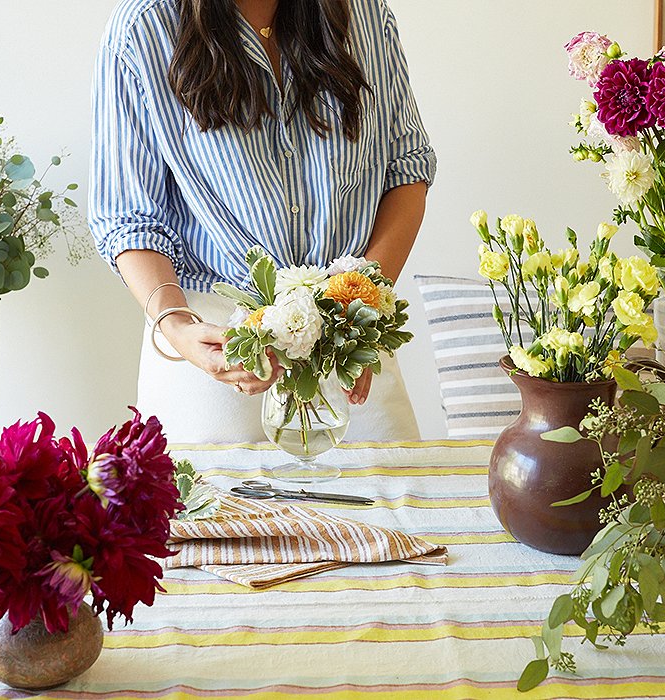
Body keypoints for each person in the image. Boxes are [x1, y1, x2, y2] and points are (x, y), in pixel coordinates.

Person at [90, 0, 435, 443]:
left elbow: (407, 170)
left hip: (350, 332)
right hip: (215, 343)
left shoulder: (364, 13)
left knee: (393, 504)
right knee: (216, 510)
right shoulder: (144, 29)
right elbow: (128, 214)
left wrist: (360, 308)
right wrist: (177, 327)